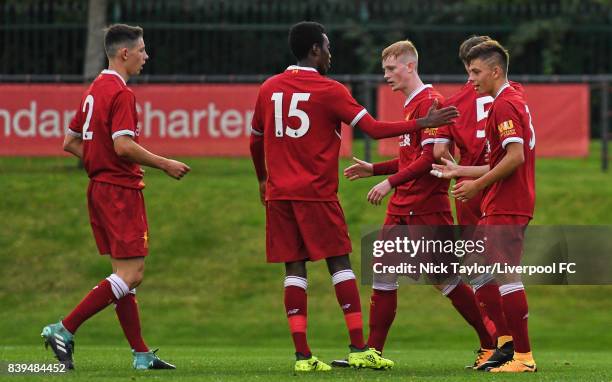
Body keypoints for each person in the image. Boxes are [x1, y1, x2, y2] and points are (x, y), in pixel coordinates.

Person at [249, 21, 458, 372]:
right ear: (315, 49)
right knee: (339, 265)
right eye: (327, 46)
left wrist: (262, 180)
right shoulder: (330, 89)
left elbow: (255, 139)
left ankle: (303, 357)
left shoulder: (268, 88)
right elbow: (374, 130)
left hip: (279, 194)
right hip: (316, 194)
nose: (331, 53)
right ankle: (360, 348)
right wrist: (422, 124)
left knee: (294, 270)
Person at [41, 24, 190, 370]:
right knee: (132, 274)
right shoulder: (122, 94)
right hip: (120, 193)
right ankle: (63, 328)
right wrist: (164, 163)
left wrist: (99, 162)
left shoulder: (95, 89)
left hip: (99, 189)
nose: (145, 56)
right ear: (125, 53)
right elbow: (122, 145)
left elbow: (71, 142)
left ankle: (140, 354)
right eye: (142, 50)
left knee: (123, 276)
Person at [344, 40, 494, 367]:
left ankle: (493, 343)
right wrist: (376, 170)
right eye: (384, 69)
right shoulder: (412, 104)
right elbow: (410, 158)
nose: (385, 75)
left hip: (426, 205)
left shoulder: (431, 103)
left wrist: (388, 182)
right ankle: (373, 352)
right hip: (402, 205)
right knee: (382, 272)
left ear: (410, 66)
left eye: (391, 68)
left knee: (445, 279)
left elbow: (429, 159)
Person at [432, 39, 537, 373]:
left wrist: (476, 185)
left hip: (509, 201)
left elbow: (516, 157)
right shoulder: (505, 100)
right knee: (479, 265)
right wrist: (462, 171)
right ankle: (506, 347)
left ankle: (523, 356)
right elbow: (503, 159)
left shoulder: (505, 104)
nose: (471, 78)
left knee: (505, 274)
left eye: (476, 72)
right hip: (502, 200)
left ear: (495, 70)